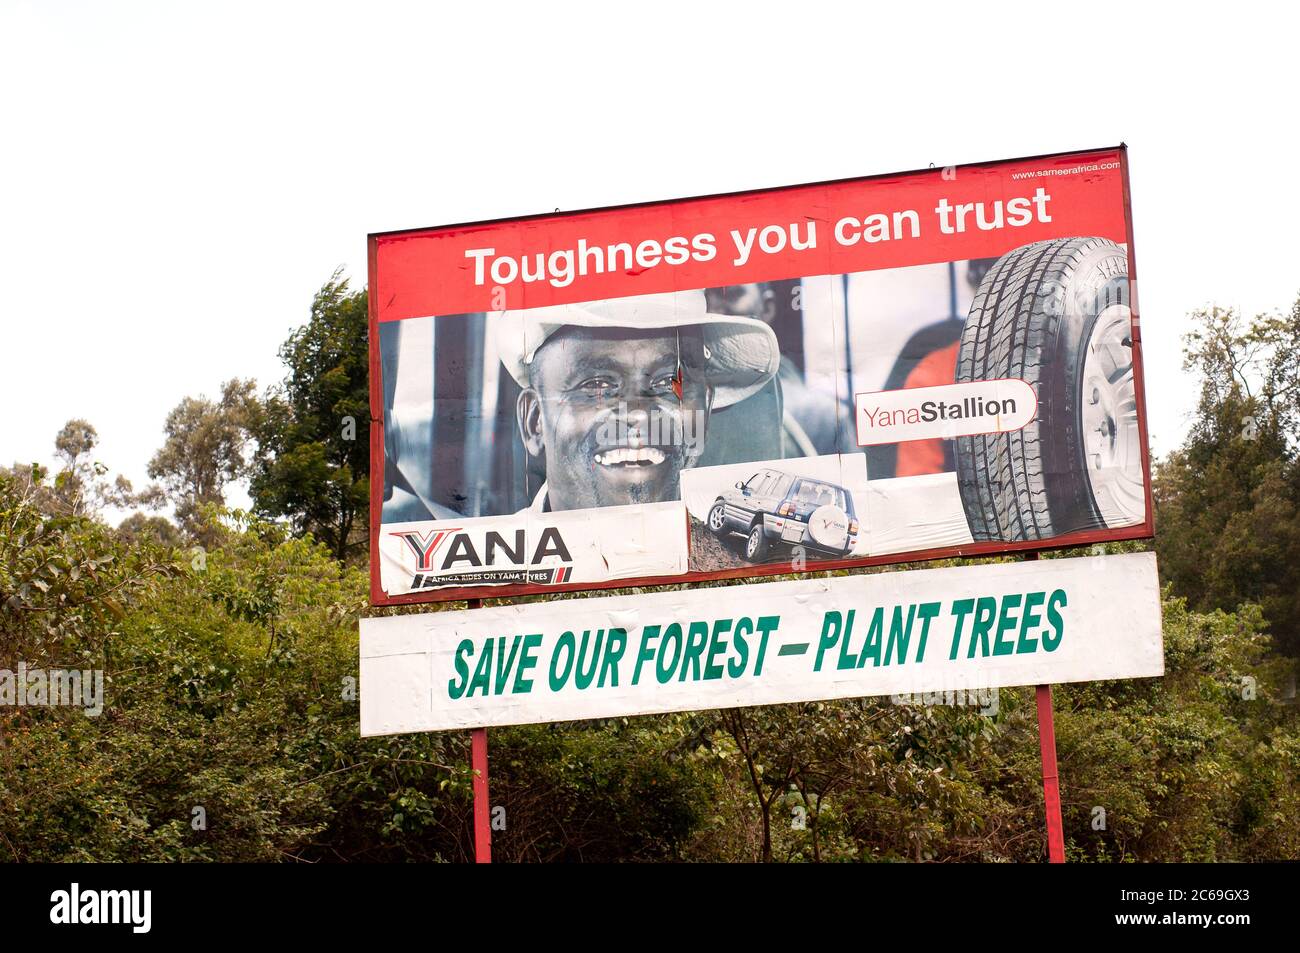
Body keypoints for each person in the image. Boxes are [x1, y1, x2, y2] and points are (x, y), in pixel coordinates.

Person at [496, 290, 779, 513]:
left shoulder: (750, 572)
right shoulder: (495, 581)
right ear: (534, 422)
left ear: (703, 411)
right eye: (596, 386)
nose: (639, 413)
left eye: (670, 382)